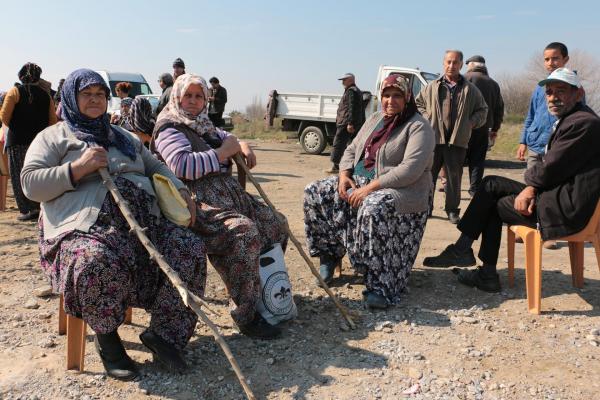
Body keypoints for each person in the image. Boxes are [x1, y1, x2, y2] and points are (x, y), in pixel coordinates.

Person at [21, 69, 207, 380]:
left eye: (100, 95)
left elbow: (155, 165)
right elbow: (30, 185)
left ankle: (165, 334)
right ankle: (108, 340)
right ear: (71, 98)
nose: (95, 100)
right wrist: (77, 168)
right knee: (94, 260)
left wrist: (182, 190)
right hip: (84, 227)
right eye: (87, 94)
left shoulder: (125, 138)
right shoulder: (53, 137)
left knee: (189, 247)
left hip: (142, 225)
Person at [423, 68, 600, 293]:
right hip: (559, 195)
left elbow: (550, 168)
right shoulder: (574, 119)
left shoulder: (583, 123)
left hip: (565, 208)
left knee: (494, 204)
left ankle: (480, 267)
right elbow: (554, 169)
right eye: (549, 92)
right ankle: (466, 252)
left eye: (561, 91)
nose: (553, 97)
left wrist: (531, 188)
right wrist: (532, 187)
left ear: (579, 93)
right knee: (490, 185)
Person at [152, 73, 287, 339]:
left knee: (275, 223)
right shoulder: (169, 128)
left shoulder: (204, 125)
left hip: (229, 196)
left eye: (198, 96)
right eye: (187, 95)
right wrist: (223, 153)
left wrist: (243, 146)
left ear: (205, 100)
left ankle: (264, 293)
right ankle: (245, 314)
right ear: (177, 98)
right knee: (244, 233)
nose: (193, 101)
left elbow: (229, 137)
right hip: (197, 203)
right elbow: (182, 166)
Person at [304, 74, 435, 309]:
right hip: (362, 182)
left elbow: (410, 170)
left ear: (407, 98)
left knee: (374, 207)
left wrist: (369, 189)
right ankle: (329, 255)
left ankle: (380, 285)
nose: (390, 101)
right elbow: (352, 149)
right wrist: (344, 175)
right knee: (315, 191)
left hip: (402, 191)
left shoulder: (418, 126)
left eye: (397, 96)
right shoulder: (375, 118)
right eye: (386, 95)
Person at [416, 50, 488, 224]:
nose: (451, 66)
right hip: (433, 140)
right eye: (448, 62)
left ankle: (452, 210)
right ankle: (425, 208)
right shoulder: (432, 87)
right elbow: (418, 104)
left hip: (457, 141)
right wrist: (427, 118)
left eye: (455, 62)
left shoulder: (470, 89)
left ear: (461, 65)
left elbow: (483, 110)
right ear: (443, 63)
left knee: (454, 178)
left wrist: (471, 122)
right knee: (428, 177)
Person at [517, 42, 571, 250]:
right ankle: (530, 227)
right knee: (530, 186)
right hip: (535, 145)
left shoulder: (571, 87)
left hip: (556, 147)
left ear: (565, 59)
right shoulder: (540, 87)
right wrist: (523, 140)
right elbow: (530, 116)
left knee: (550, 190)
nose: (551, 63)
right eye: (547, 59)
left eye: (555, 58)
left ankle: (549, 233)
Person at [0, 62, 57, 221]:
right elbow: (53, 121)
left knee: (19, 174)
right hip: (39, 142)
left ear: (21, 76)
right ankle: (39, 207)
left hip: (17, 140)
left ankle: (26, 210)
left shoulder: (14, 92)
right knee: (38, 172)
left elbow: (4, 117)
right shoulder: (46, 95)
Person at [464, 55, 504, 197]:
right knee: (478, 160)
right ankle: (474, 190)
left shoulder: (464, 79)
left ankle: (453, 191)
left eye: (467, 64)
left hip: (463, 128)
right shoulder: (493, 84)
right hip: (484, 128)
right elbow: (499, 109)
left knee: (456, 159)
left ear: (472, 65)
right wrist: (495, 129)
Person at [326, 73, 365, 174]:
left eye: (344, 80)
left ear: (350, 80)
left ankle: (335, 166)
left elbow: (352, 107)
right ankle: (353, 167)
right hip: (353, 123)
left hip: (346, 123)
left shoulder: (351, 91)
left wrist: (350, 123)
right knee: (353, 145)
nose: (342, 82)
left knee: (338, 144)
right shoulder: (357, 91)